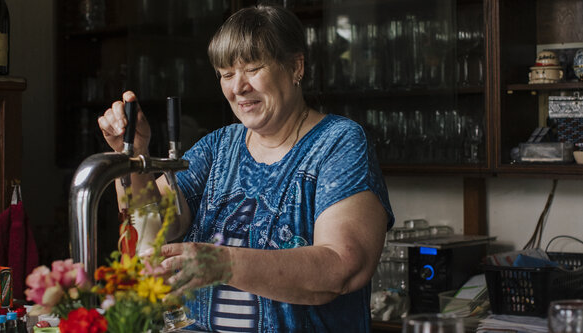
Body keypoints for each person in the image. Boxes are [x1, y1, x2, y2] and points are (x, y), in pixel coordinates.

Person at [97, 4, 394, 332]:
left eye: (252, 68)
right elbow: (149, 237)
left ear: (296, 67)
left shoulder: (337, 142)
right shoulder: (218, 147)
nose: (238, 87)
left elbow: (343, 267)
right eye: (226, 74)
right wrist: (133, 158)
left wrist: (221, 263)